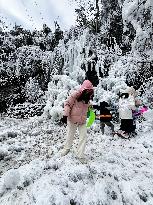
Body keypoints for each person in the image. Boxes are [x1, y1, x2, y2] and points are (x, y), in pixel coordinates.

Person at [60, 80, 94, 163]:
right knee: (70, 135)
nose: (89, 92)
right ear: (83, 89)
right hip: (73, 120)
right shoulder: (75, 95)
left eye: (90, 90)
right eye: (88, 90)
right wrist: (65, 115)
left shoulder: (88, 98)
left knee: (84, 137)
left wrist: (91, 108)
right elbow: (67, 104)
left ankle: (80, 155)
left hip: (82, 121)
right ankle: (66, 149)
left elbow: (88, 107)